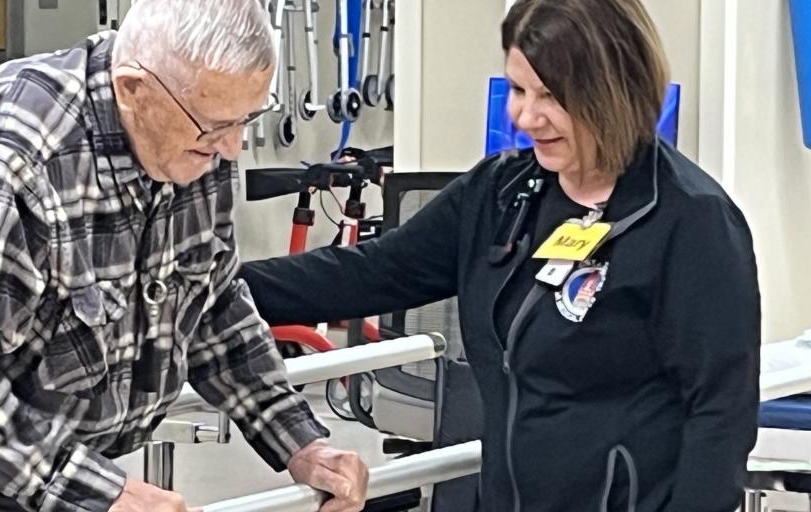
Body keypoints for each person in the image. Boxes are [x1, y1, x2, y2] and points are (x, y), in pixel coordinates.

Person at [0, 1, 369, 511]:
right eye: (216, 127)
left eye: (246, 119)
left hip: (46, 464)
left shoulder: (198, 138)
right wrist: (98, 492)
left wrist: (300, 441)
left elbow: (214, 305)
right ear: (133, 90)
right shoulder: (17, 146)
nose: (231, 148)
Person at [240, 0, 761, 510]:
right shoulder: (502, 194)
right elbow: (368, 273)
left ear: (616, 90)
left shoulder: (690, 221)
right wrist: (212, 289)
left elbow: (719, 415)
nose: (526, 116)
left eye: (552, 95)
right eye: (518, 89)